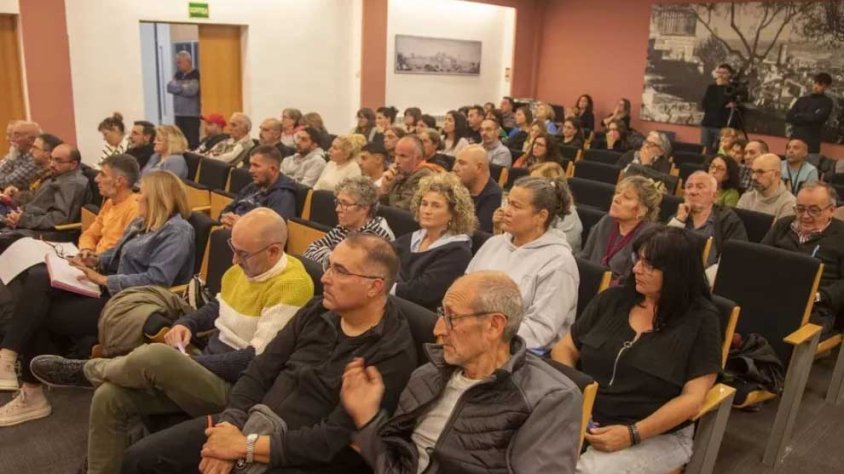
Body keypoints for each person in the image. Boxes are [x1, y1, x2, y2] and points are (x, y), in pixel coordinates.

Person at [29, 208, 315, 474]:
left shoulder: (292, 286)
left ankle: (87, 371)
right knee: (109, 397)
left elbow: (255, 361)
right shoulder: (243, 269)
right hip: (206, 364)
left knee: (157, 356)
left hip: (239, 389)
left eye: (242, 254)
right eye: (233, 249)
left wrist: (191, 363)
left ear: (274, 251)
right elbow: (217, 307)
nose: (234, 261)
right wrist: (185, 323)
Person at [119, 234, 417, 473]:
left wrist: (244, 447)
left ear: (374, 287)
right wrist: (230, 427)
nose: (325, 278)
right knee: (140, 459)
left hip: (299, 456)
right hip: (251, 420)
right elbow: (260, 369)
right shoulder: (317, 309)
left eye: (339, 271)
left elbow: (333, 440)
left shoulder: (391, 352)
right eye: (328, 266)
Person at [0, 170, 194, 426]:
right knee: (38, 276)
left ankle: (26, 384)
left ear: (159, 198)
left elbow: (158, 280)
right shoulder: (141, 224)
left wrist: (103, 279)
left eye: (143, 196)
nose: (139, 199)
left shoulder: (177, 231)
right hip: (111, 291)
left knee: (39, 311)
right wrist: (92, 259)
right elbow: (114, 255)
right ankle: (11, 360)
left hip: (133, 303)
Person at [343, 271, 582, 473]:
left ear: (494, 325)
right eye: (441, 314)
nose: (438, 328)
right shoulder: (427, 375)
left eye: (452, 317)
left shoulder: (549, 398)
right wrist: (368, 420)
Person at [552, 226, 722, 474]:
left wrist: (632, 433)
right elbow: (565, 348)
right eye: (637, 259)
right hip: (586, 415)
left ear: (676, 273)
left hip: (655, 433)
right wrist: (575, 398)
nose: (636, 269)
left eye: (649, 265)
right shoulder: (613, 300)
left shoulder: (702, 321)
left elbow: (693, 399)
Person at [467, 176, 579, 353]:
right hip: (475, 335)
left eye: (516, 206)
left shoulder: (559, 262)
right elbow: (465, 289)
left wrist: (482, 335)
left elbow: (539, 330)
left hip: (520, 353)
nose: (506, 211)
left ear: (541, 216)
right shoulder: (494, 244)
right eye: (508, 202)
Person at [762, 181, 843, 339]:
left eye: (814, 210)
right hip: (772, 293)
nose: (805, 216)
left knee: (779, 333)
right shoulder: (783, 225)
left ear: (831, 210)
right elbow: (760, 258)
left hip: (815, 307)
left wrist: (819, 296)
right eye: (800, 209)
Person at [393, 173, 474, 310]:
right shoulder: (412, 238)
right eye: (424, 204)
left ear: (453, 213)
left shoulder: (457, 252)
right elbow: (382, 263)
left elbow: (423, 292)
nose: (427, 211)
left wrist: (385, 286)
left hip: (419, 317)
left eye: (436, 206)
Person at [581, 176, 662, 284]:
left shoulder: (650, 237)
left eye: (627, 197)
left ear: (642, 210)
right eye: (617, 192)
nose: (616, 199)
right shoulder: (607, 221)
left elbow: (634, 282)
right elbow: (584, 257)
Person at [304, 176, 394, 267]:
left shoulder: (376, 236)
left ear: (364, 208)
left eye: (345, 204)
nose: (337, 209)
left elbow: (348, 269)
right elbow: (309, 251)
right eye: (338, 202)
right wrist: (331, 257)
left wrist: (327, 254)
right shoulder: (344, 227)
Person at [1, 143, 89, 234]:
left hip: (48, 233)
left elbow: (60, 218)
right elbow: (37, 202)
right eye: (51, 158)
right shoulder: (58, 175)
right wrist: (18, 215)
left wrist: (24, 220)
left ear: (73, 164)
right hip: (27, 219)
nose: (52, 164)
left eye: (58, 161)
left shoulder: (72, 184)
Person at [668, 171, 748, 265]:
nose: (693, 192)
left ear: (714, 195)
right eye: (689, 187)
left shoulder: (728, 220)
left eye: (700, 187)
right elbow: (662, 250)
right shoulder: (678, 216)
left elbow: (736, 257)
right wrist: (679, 221)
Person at [220, 145, 298, 226]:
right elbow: (231, 206)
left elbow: (273, 230)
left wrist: (240, 224)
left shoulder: (283, 196)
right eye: (251, 165)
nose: (250, 170)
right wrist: (226, 216)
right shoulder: (254, 185)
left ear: (272, 169)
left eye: (256, 165)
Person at [79, 154, 142, 254]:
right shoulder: (110, 202)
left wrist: (95, 260)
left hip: (107, 266)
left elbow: (122, 252)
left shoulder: (136, 209)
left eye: (103, 175)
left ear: (119, 181)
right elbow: (90, 234)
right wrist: (86, 249)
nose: (96, 179)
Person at [528, 163, 583, 252]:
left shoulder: (567, 214)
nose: (527, 186)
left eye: (535, 183)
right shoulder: (532, 205)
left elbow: (560, 250)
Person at [378, 135, 441, 211]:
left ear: (418, 158)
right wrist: (385, 187)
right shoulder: (400, 173)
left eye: (403, 156)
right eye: (396, 155)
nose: (397, 161)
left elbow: (401, 210)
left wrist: (385, 192)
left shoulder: (424, 176)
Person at [0, 133, 57, 212]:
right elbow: (32, 194)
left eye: (35, 148)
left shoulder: (53, 178)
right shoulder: (41, 172)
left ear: (47, 154)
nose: (31, 151)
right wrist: (16, 192)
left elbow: (36, 205)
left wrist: (14, 198)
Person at [452, 144, 501, 233]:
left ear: (478, 167)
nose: (454, 168)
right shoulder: (459, 187)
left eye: (462, 163)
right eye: (456, 162)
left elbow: (477, 234)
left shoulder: (493, 195)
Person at [737, 153, 796, 220]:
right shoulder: (746, 198)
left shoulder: (789, 203)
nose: (754, 177)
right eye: (753, 172)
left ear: (776, 175)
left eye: (760, 172)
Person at [786, 72, 834, 155]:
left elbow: (818, 119)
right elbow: (789, 117)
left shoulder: (827, 102)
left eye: (820, 84)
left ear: (826, 87)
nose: (816, 86)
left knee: (810, 167)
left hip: (811, 144)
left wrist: (799, 115)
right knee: (790, 167)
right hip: (794, 142)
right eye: (815, 83)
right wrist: (809, 116)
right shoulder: (802, 99)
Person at [166, 51, 201, 149]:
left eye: (179, 62)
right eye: (177, 62)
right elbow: (169, 87)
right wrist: (183, 86)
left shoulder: (196, 74)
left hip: (192, 115)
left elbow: (192, 90)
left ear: (188, 62)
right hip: (178, 114)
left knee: (192, 142)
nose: (177, 65)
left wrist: (178, 87)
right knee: (180, 141)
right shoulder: (178, 74)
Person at [700, 63, 737, 152]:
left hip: (721, 126)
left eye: (724, 72)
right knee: (705, 149)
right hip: (707, 123)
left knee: (720, 150)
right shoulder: (711, 87)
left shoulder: (731, 89)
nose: (721, 75)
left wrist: (721, 87)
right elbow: (704, 104)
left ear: (730, 75)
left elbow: (720, 104)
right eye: (719, 72)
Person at [0, 121, 41, 191]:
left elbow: (5, 183)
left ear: (31, 140)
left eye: (16, 135)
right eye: (11, 135)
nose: (11, 139)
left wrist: (11, 158)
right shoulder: (17, 153)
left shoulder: (34, 159)